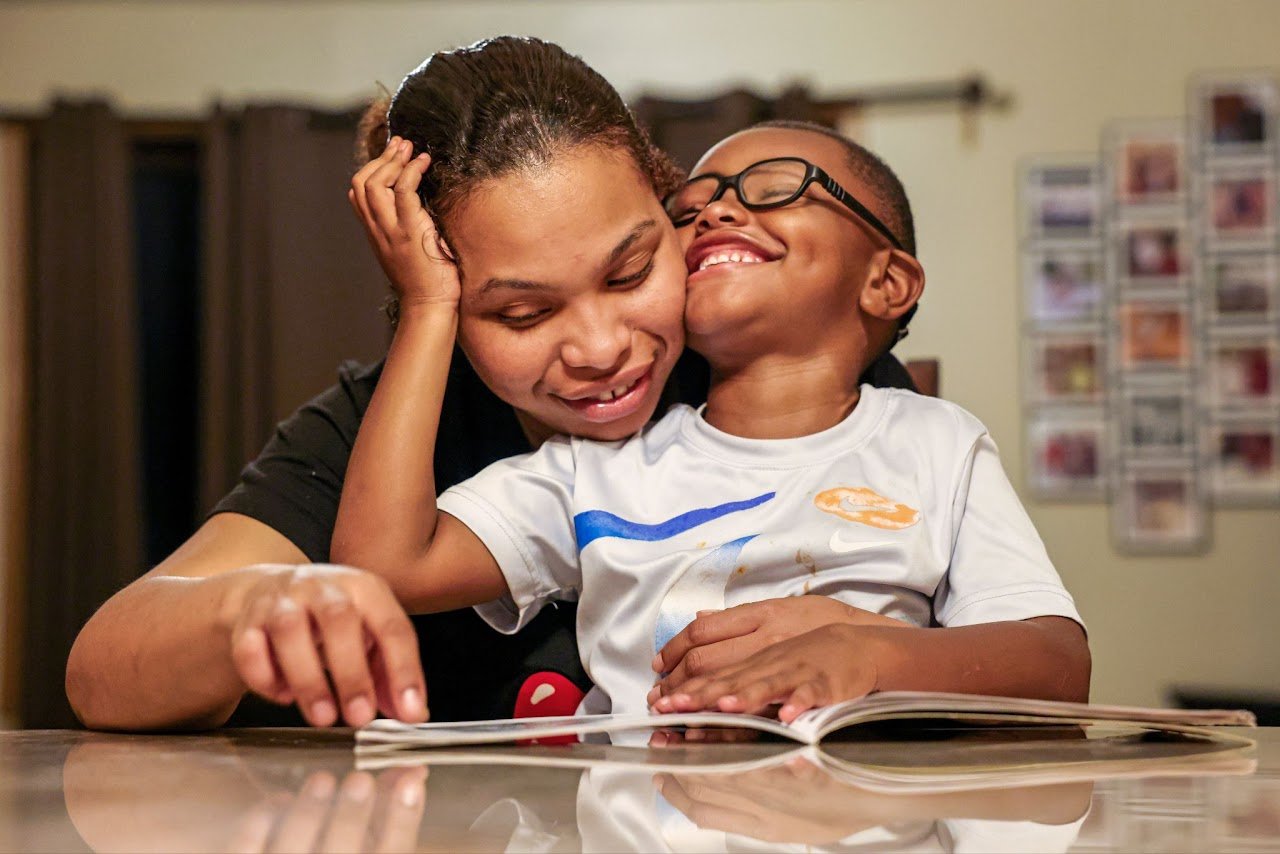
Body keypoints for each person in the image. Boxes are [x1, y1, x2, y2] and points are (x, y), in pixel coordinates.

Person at [64, 36, 918, 732]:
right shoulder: (372, 435)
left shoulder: (779, 372)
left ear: (671, 214)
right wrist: (258, 605)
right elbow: (102, 670)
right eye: (519, 315)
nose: (599, 347)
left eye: (630, 273)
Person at [332, 109, 1091, 716]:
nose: (718, 207)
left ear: (887, 282)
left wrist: (877, 658)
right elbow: (383, 568)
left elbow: (1057, 663)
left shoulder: (936, 444)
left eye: (773, 184)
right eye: (689, 208)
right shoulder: (598, 473)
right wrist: (432, 304)